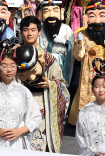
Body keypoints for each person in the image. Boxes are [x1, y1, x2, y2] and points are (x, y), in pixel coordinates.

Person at [17, 16, 70, 152]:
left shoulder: (48, 58)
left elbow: (61, 84)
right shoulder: (14, 56)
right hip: (18, 104)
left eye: (33, 30)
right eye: (26, 30)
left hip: (42, 104)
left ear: (39, 32)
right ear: (21, 32)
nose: (29, 33)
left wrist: (51, 85)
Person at [68, 0, 105, 125]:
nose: (97, 21)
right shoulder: (83, 35)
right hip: (89, 71)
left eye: (102, 16)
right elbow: (78, 56)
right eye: (92, 16)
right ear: (86, 19)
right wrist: (79, 43)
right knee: (88, 94)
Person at [37, 0, 74, 84]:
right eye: (46, 11)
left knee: (59, 85)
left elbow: (74, 49)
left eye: (55, 11)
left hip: (61, 63)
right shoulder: (39, 30)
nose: (51, 15)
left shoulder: (66, 29)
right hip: (44, 63)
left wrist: (66, 43)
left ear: (61, 12)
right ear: (41, 13)